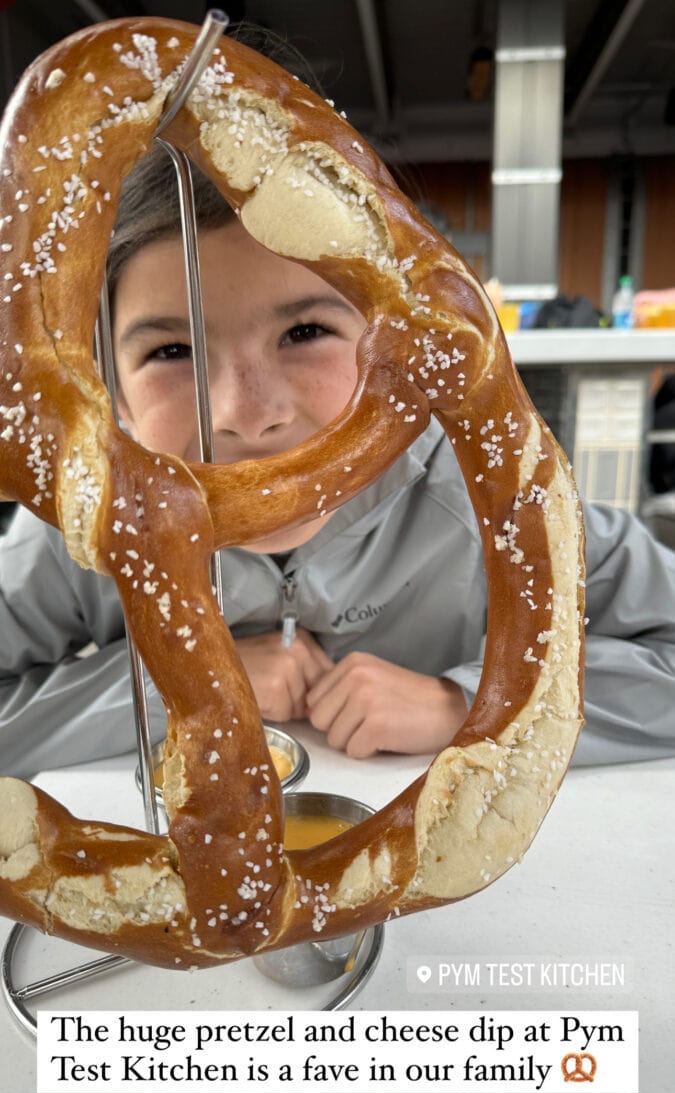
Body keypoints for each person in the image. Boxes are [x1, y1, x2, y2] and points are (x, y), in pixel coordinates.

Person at [1, 147, 675, 779]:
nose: (246, 412)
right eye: (171, 352)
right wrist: (181, 677)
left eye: (305, 333)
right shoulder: (83, 521)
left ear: (396, 349)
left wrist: (468, 703)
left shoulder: (486, 496)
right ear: (108, 390)